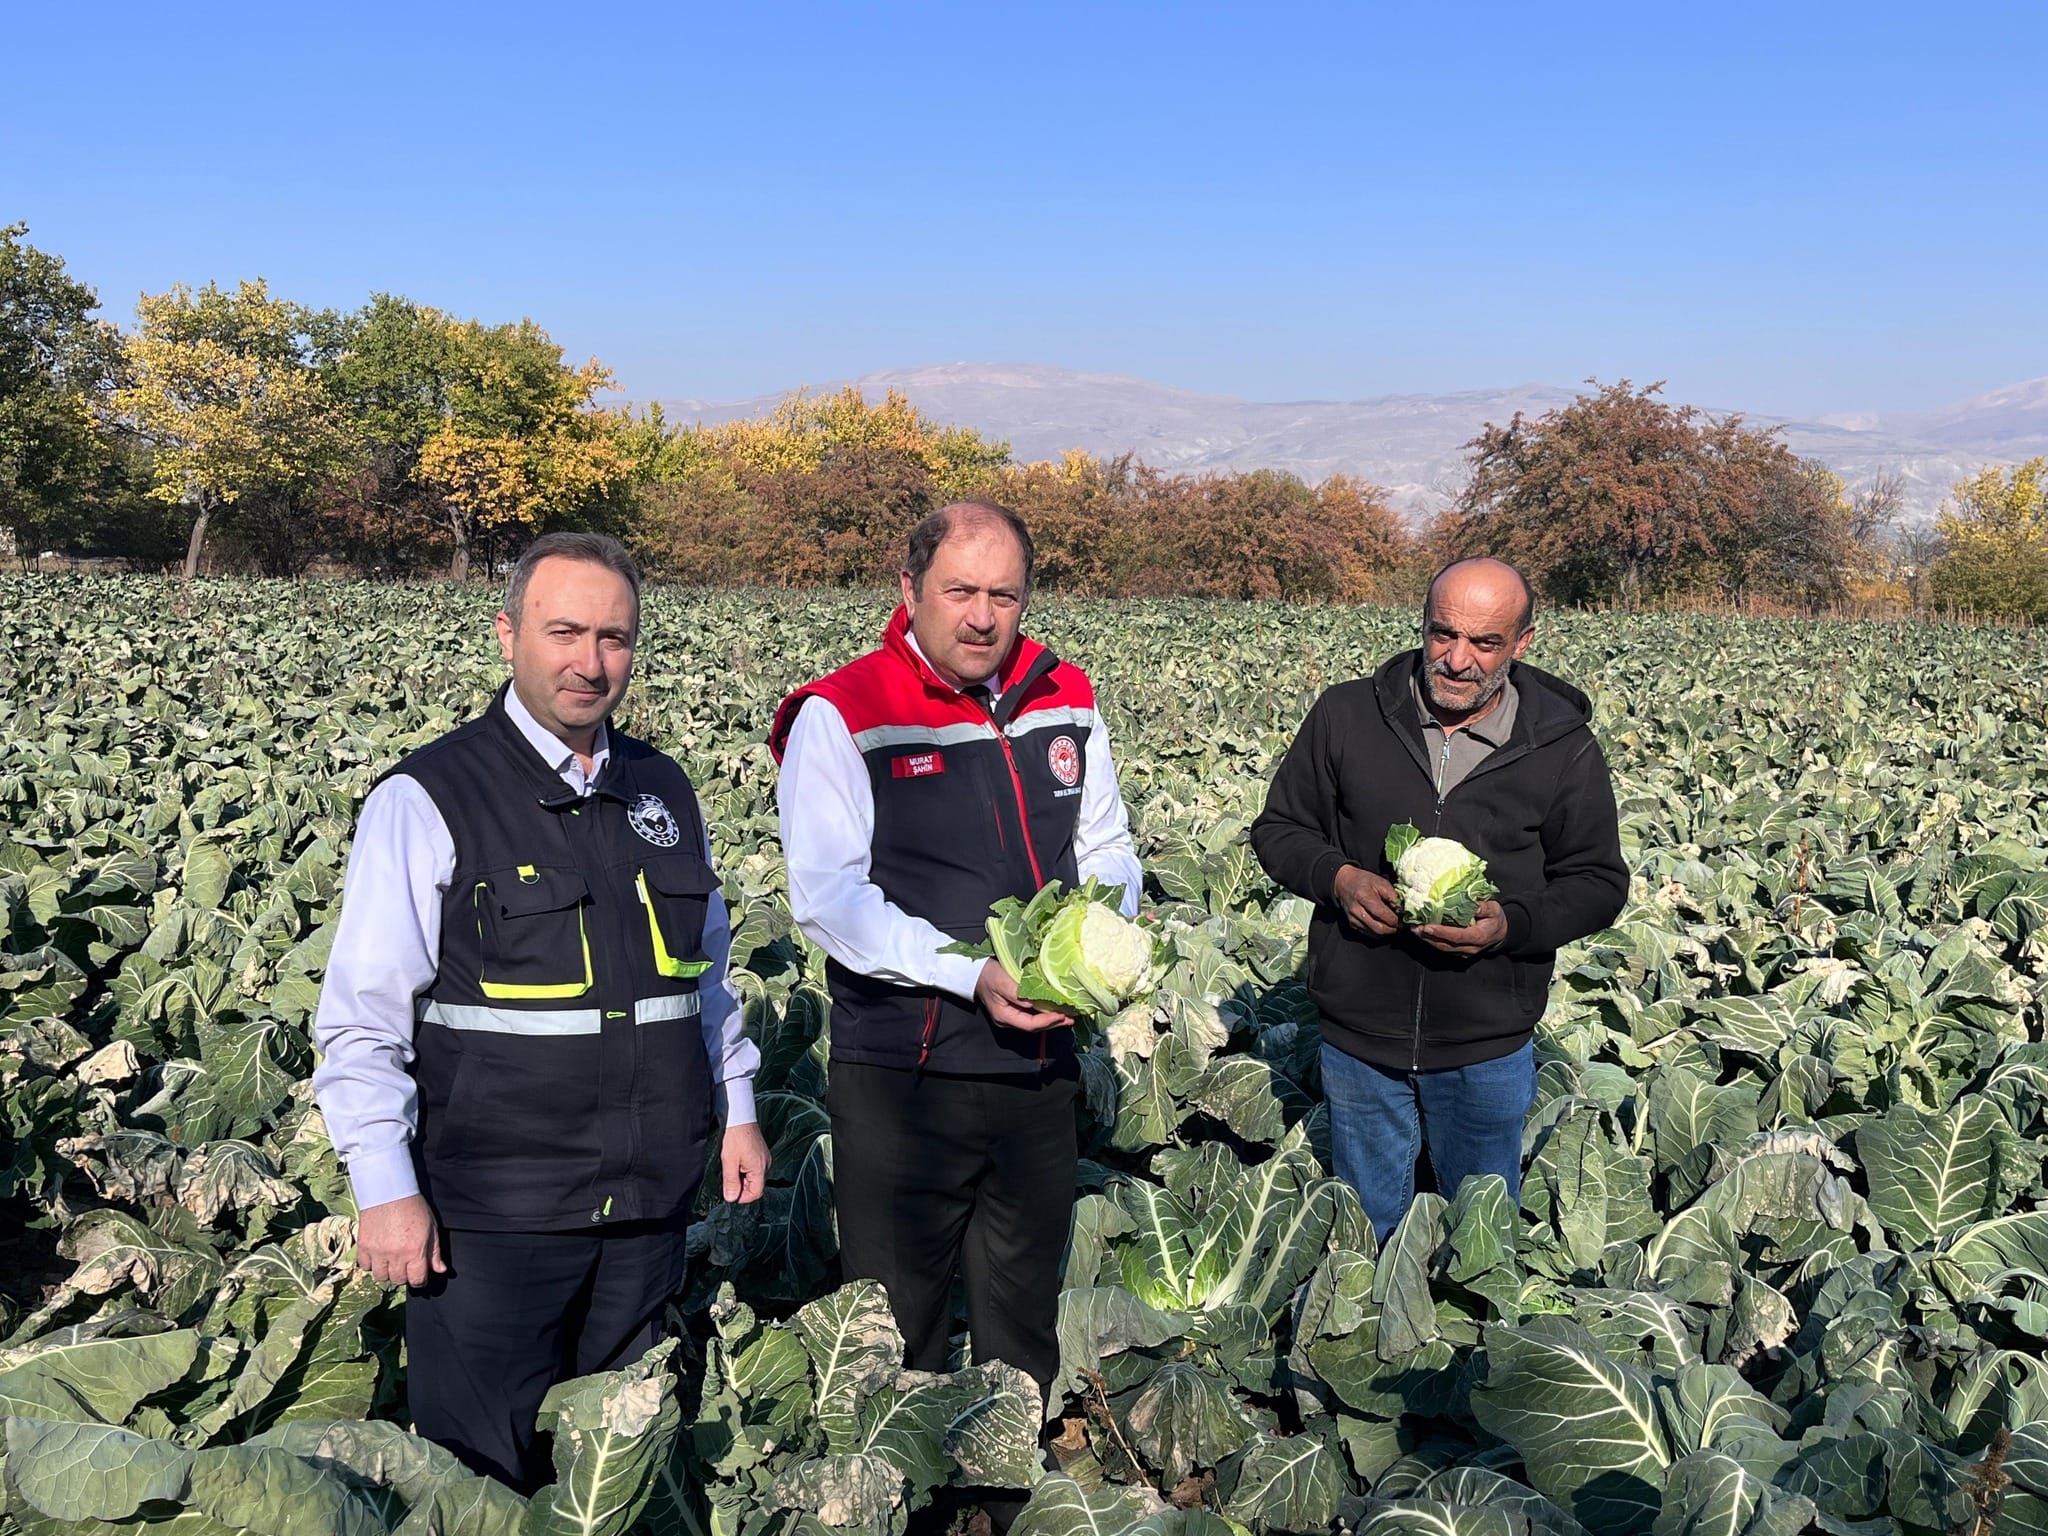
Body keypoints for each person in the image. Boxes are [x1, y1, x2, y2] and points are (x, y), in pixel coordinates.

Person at [312, 532, 768, 1492]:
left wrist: (738, 1107)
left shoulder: (665, 790)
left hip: (647, 1205)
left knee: (616, 1464)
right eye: (564, 631)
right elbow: (363, 1017)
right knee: (481, 1473)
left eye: (614, 637)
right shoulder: (430, 796)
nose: (589, 661)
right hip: (496, 1214)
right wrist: (385, 1191)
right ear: (508, 633)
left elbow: (707, 979)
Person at [768, 500, 1142, 1401]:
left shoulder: (1067, 695)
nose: (983, 615)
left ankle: (1004, 1493)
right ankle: (908, 1498)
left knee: (1022, 1318)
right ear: (909, 589)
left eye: (1004, 594)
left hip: (1041, 1062)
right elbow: (828, 899)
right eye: (961, 591)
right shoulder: (847, 709)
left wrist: (1097, 949)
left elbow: (1108, 847)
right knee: (901, 1322)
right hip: (907, 1075)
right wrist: (971, 972)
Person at [1249, 557, 1626, 1241]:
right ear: (1422, 626)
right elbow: (1279, 830)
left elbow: (1598, 882)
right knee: (1367, 1230)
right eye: (1442, 634)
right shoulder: (1346, 716)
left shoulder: (1562, 748)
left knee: (1478, 1235)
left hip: (1487, 1043)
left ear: (1523, 642)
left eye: (1485, 643)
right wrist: (1337, 878)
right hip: (1360, 1038)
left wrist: (1510, 924)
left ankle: (1471, 1345)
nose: (1457, 660)